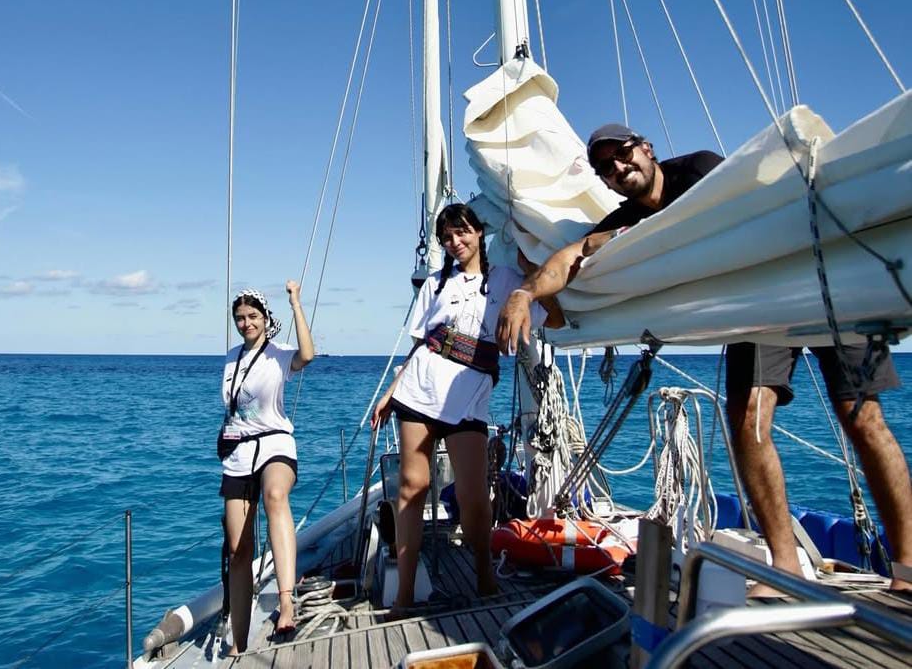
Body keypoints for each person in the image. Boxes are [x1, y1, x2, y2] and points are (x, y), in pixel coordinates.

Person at [496, 122, 912, 594]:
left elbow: (744, 206)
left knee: (863, 419)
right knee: (748, 422)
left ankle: (908, 568)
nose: (618, 167)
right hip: (756, 306)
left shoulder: (700, 171)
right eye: (605, 166)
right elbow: (571, 255)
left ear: (647, 149)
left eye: (624, 153)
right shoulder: (622, 219)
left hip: (819, 277)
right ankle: (783, 567)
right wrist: (524, 293)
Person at [371, 203, 546, 618]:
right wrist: (391, 390)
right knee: (411, 488)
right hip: (418, 390)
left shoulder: (505, 281)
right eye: (447, 237)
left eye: (462, 232)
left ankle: (485, 575)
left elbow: (547, 315)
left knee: (472, 492)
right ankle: (405, 594)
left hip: (469, 394)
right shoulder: (434, 283)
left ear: (478, 232)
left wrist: (533, 267)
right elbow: (420, 343)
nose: (455, 242)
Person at [219, 281, 314, 651]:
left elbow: (308, 355)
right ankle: (240, 644)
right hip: (238, 454)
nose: (246, 323)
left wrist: (295, 304)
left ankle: (287, 601)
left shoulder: (278, 353)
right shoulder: (230, 357)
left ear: (264, 317)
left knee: (275, 495)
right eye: (240, 318)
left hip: (275, 443)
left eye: (253, 316)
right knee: (238, 550)